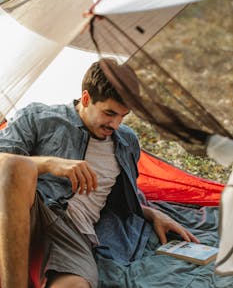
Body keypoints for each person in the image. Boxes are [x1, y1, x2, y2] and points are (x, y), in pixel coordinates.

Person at [0, 58, 198, 288]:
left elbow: (119, 200)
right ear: (86, 98)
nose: (115, 124)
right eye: (109, 113)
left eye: (123, 116)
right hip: (33, 210)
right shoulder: (38, 117)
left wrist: (152, 215)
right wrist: (49, 163)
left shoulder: (126, 142)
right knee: (15, 166)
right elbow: (5, 167)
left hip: (73, 234)